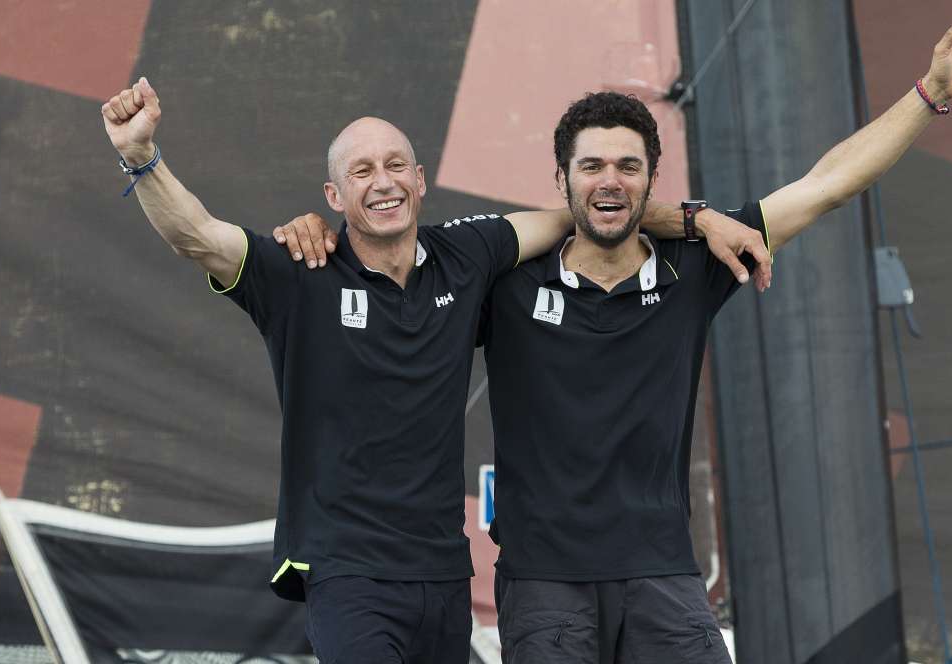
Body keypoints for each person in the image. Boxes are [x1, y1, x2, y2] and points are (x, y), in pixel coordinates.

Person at [275, 6, 952, 663]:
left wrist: (931, 94)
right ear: (560, 181)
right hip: (541, 587)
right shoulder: (504, 279)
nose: (609, 181)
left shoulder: (698, 264)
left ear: (653, 178)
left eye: (629, 167)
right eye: (590, 166)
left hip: (663, 578)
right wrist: (321, 234)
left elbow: (827, 186)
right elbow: (389, 241)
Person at [101, 80, 769, 663]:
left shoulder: (468, 254)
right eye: (361, 172)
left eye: (396, 165)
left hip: (445, 573)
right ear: (334, 193)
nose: (383, 181)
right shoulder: (297, 272)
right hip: (349, 573)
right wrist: (140, 155)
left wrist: (695, 217)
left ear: (421, 181)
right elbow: (197, 236)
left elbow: (595, 209)